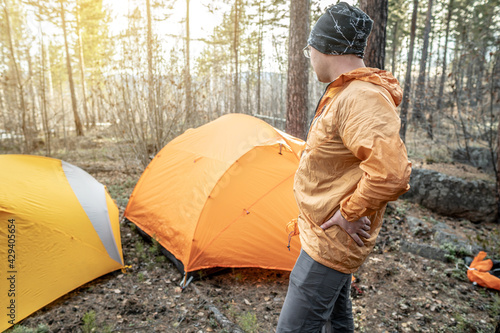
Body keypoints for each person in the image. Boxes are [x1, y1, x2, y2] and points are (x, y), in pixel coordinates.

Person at [276, 2, 412, 332]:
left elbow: (391, 173)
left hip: (329, 245)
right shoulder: (348, 91)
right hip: (324, 237)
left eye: (310, 47)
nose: (308, 55)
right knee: (336, 323)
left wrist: (349, 212)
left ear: (326, 47)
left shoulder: (360, 97)